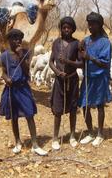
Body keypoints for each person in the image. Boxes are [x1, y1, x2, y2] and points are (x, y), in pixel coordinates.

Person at [0, 28, 47, 156]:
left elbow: (26, 71)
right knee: (14, 117)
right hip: (11, 90)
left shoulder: (25, 53)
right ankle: (18, 142)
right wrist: (6, 78)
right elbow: (2, 72)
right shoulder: (4, 56)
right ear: (9, 41)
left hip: (23, 88)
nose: (17, 41)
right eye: (14, 39)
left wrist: (21, 56)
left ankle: (35, 144)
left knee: (29, 114)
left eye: (19, 39)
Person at [78, 12, 112, 147]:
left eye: (93, 24)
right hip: (87, 77)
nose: (90, 26)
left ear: (99, 25)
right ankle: (91, 132)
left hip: (99, 78)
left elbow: (105, 62)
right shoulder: (86, 40)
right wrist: (80, 50)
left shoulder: (105, 43)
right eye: (89, 24)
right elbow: (81, 56)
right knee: (84, 105)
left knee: (99, 105)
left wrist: (90, 57)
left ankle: (100, 134)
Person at [49, 17, 82, 150]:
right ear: (61, 29)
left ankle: (73, 136)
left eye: (69, 27)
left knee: (73, 110)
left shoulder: (77, 44)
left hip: (72, 80)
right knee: (57, 111)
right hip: (59, 81)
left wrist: (68, 62)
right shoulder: (56, 43)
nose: (66, 30)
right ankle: (55, 138)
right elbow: (51, 62)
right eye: (64, 27)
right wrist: (57, 72)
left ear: (73, 29)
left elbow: (80, 63)